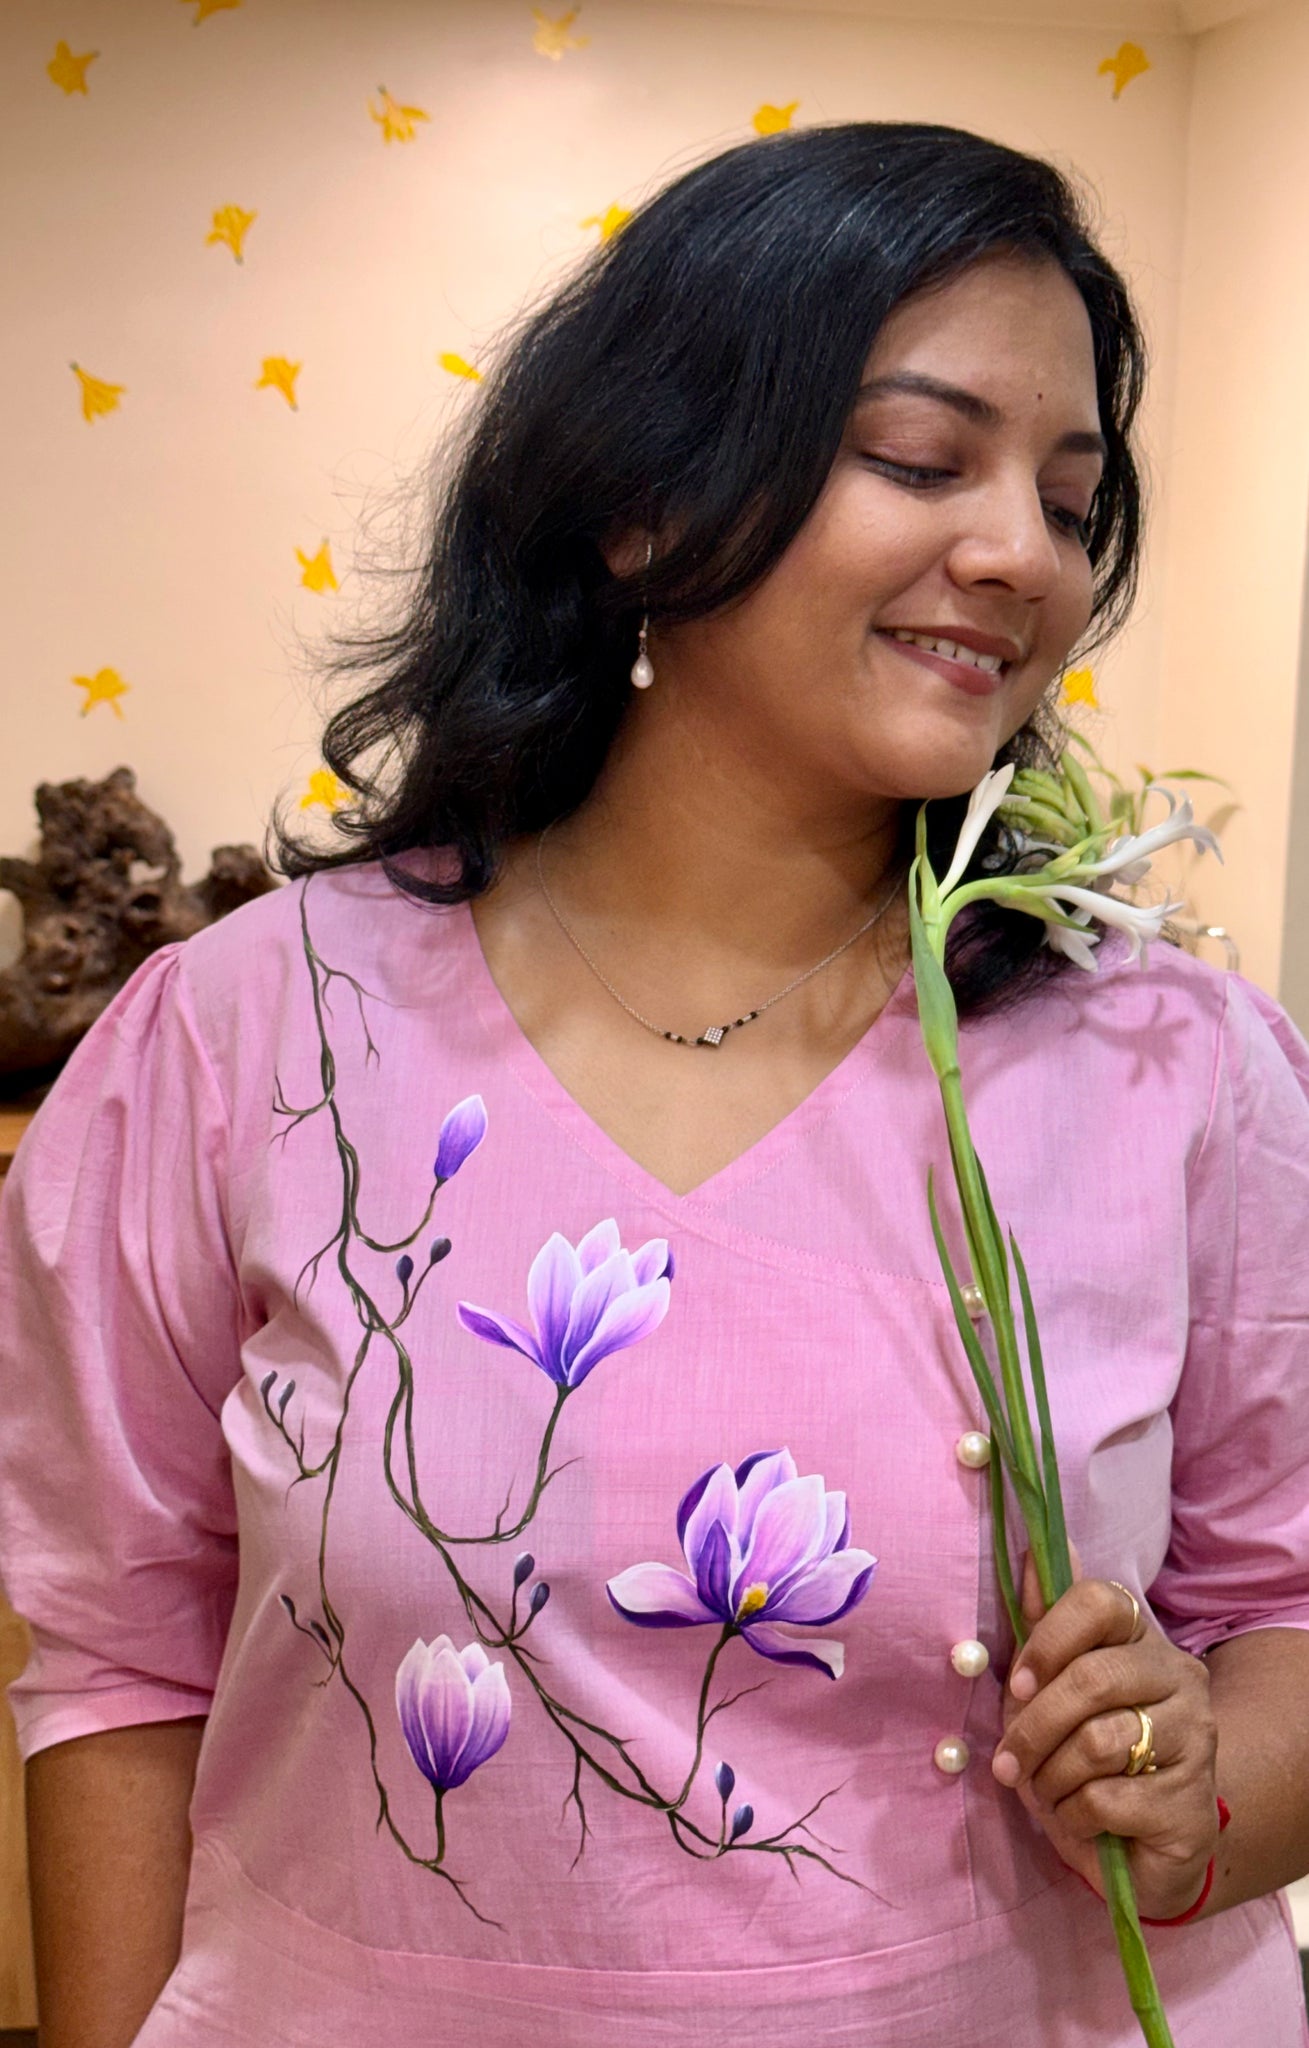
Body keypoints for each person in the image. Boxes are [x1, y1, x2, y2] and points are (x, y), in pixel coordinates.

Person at [2, 122, 1308, 2048]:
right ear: (638, 505)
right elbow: (118, 1653)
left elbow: (1283, 1613)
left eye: (1068, 497)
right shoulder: (248, 1037)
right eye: (920, 459)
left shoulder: (1177, 1070)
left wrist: (1198, 1782)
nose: (1021, 555)